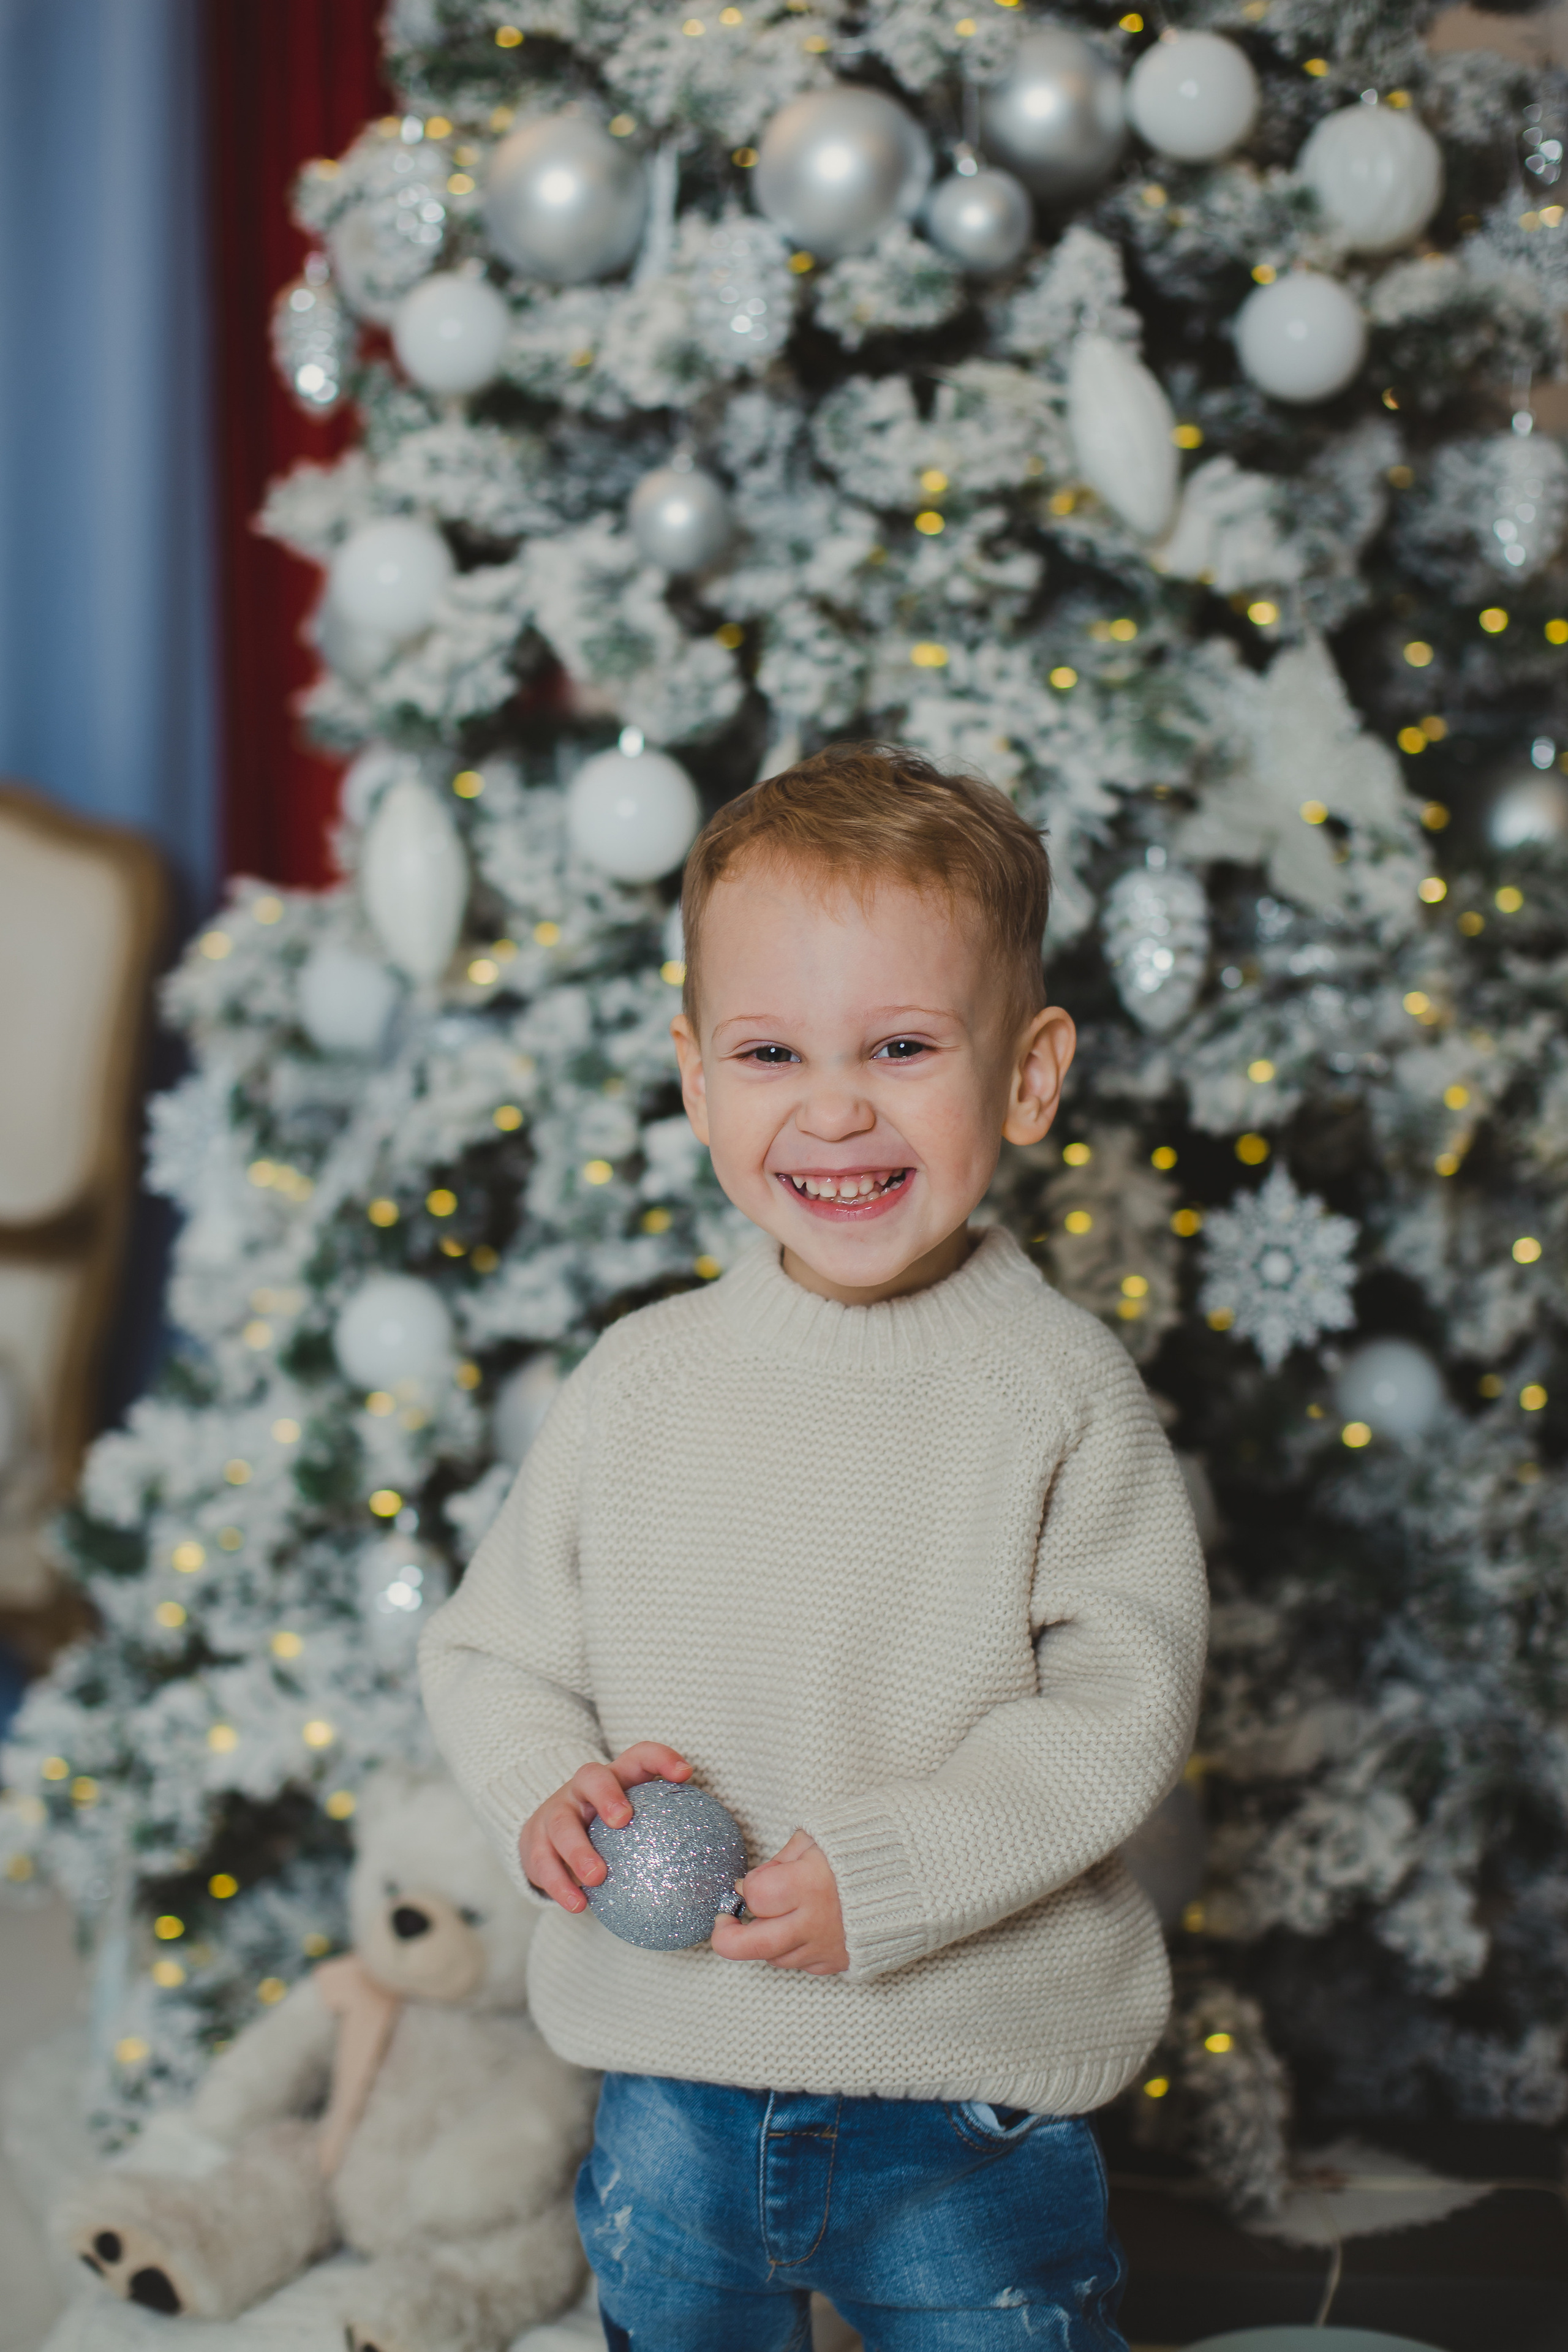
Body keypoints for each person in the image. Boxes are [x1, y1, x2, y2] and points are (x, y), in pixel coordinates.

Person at [420, 742, 1208, 2351]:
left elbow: (1116, 1709)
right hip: (672, 2081)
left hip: (962, 2099)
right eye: (771, 1051)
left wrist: (894, 1874)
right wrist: (544, 1793)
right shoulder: (642, 1380)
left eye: (905, 1047)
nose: (833, 1108)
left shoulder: (1056, 1395)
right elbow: (495, 1647)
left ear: (1028, 1074)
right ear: (698, 1076)